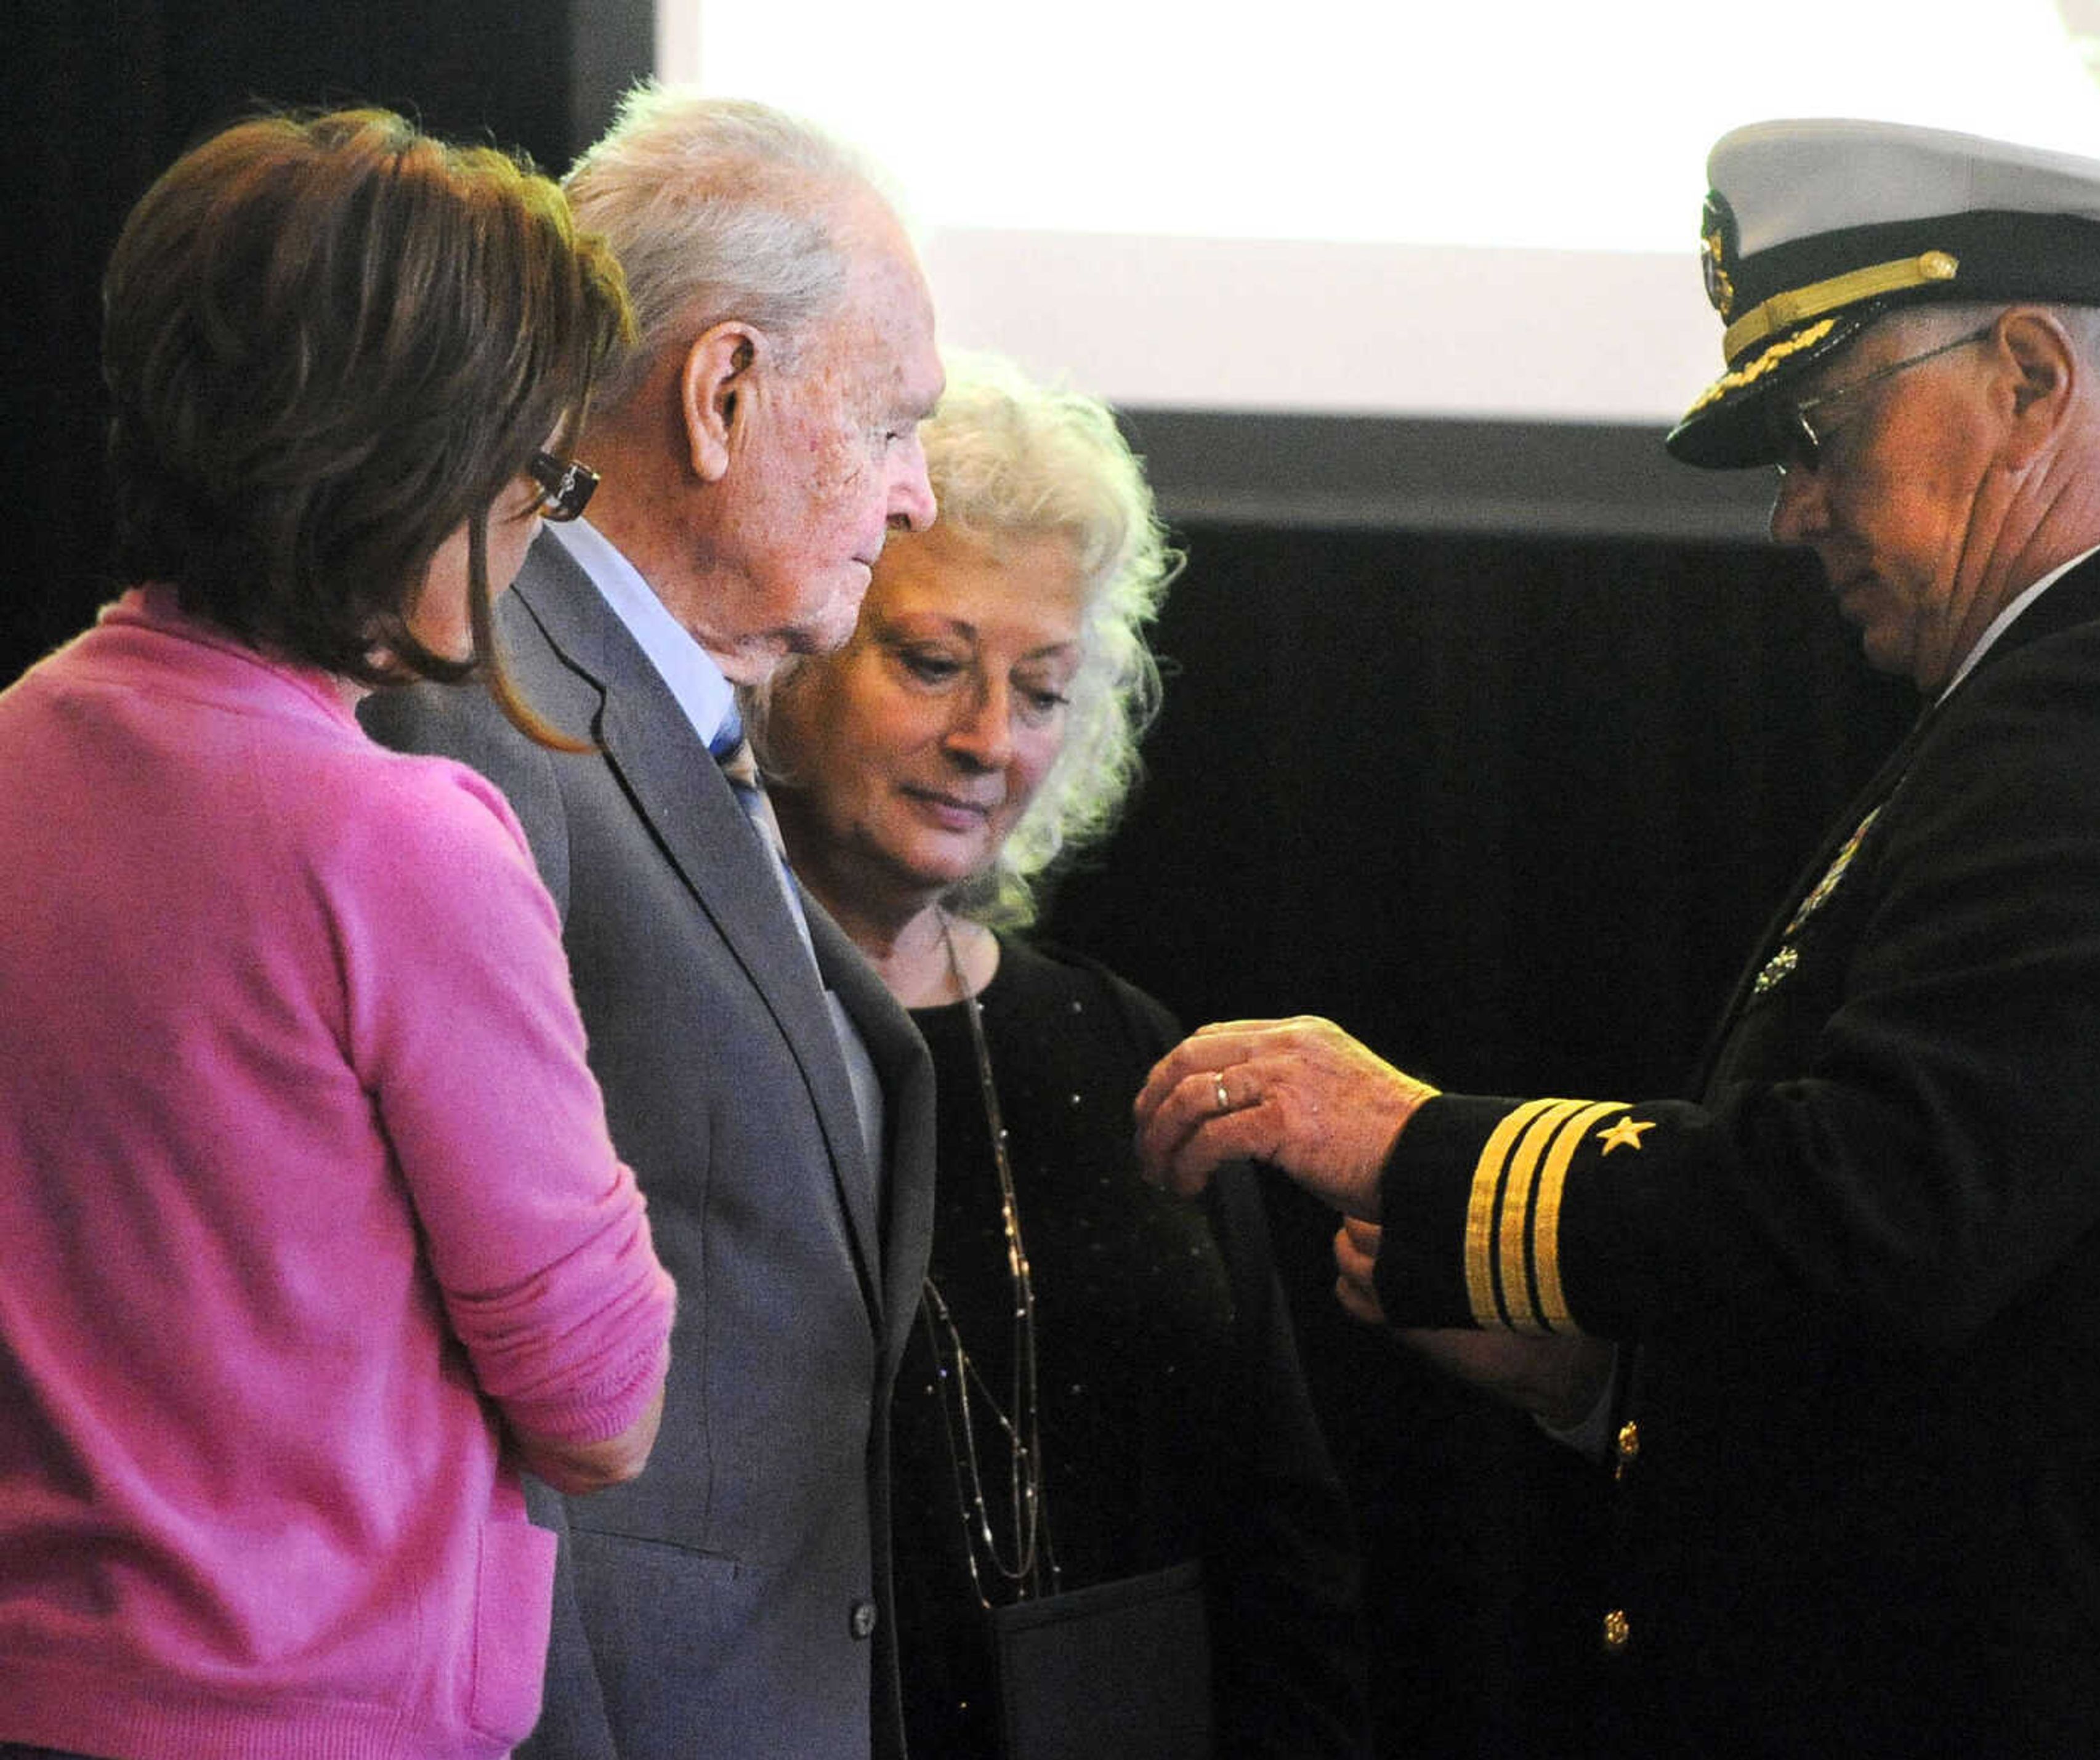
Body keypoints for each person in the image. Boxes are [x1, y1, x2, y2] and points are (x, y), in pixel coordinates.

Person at [1135, 118, 2100, 1756]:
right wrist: (1598, 1379)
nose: (1796, 511)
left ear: (2029, 379)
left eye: (1820, 426)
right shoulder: (2085, 699)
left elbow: (1879, 1213)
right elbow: (1986, 1349)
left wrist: (1418, 1147)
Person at [0, 110, 676, 1760]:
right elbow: (606, 1410)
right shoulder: (401, 845)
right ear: (393, 449)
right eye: (534, 460)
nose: (544, 509)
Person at [361, 86, 942, 1760]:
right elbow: (434, 1353)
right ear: (725, 391)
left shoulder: (651, 713)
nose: (916, 498)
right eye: (896, 422)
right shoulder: (483, 700)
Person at [751, 353, 1371, 1759]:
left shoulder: (1120, 1041)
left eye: (1040, 691)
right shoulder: (694, 1024)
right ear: (796, 642)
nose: (986, 742)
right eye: (930, 663)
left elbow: (1278, 1530)